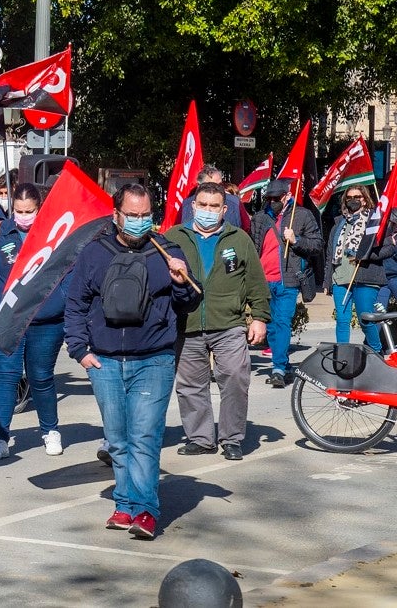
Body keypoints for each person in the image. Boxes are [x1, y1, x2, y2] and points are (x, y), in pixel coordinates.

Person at [65, 183, 200, 540]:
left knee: (144, 436)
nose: (140, 222)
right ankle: (123, 504)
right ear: (116, 215)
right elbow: (76, 303)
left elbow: (189, 301)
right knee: (118, 438)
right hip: (105, 363)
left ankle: (145, 510)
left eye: (146, 216)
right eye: (133, 215)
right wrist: (80, 350)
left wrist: (182, 280)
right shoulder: (94, 253)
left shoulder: (167, 251)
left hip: (153, 360)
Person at [166, 182, 270, 461]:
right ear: (193, 206)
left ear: (224, 209)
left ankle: (232, 438)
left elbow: (256, 282)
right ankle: (200, 438)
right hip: (186, 325)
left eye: (214, 206)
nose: (208, 211)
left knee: (236, 379)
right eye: (203, 205)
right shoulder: (174, 237)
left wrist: (259, 318)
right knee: (190, 386)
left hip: (230, 324)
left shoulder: (239, 239)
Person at [0, 183, 69, 459]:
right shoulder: (0, 232)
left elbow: (69, 272)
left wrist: (67, 306)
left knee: (41, 377)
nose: (23, 216)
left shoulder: (55, 233)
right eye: (19, 211)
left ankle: (50, 431)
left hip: (45, 320)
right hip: (4, 318)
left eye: (29, 211)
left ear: (40, 208)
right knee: (6, 377)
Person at [250, 179, 323, 387]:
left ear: (287, 196)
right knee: (271, 326)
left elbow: (317, 244)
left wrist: (297, 240)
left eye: (276, 198)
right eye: (269, 198)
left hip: (288, 280)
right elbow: (254, 249)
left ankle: (278, 368)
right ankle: (284, 365)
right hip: (263, 280)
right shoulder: (260, 218)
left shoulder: (302, 216)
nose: (272, 202)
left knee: (282, 321)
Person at [326, 185, 394, 351]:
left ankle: (376, 351)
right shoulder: (339, 223)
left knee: (366, 319)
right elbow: (330, 253)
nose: (353, 200)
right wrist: (327, 281)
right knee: (342, 321)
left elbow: (389, 248)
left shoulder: (376, 222)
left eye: (357, 197)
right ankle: (342, 356)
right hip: (341, 277)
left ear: (365, 199)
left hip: (366, 277)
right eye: (349, 198)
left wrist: (367, 254)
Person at [178, 165, 250, 233]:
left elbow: (247, 228)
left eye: (219, 185)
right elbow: (178, 230)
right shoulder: (186, 205)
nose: (216, 189)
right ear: (199, 186)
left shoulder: (235, 203)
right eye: (209, 186)